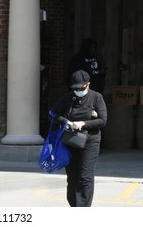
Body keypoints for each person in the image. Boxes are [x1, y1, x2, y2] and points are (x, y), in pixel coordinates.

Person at [50, 70, 107, 207]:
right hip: (71, 140)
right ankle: (74, 206)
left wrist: (84, 124)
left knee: (85, 176)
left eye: (81, 87)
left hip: (90, 140)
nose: (78, 90)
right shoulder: (68, 97)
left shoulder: (96, 97)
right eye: (75, 88)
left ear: (88, 84)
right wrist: (66, 122)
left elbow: (103, 120)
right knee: (72, 177)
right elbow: (53, 114)